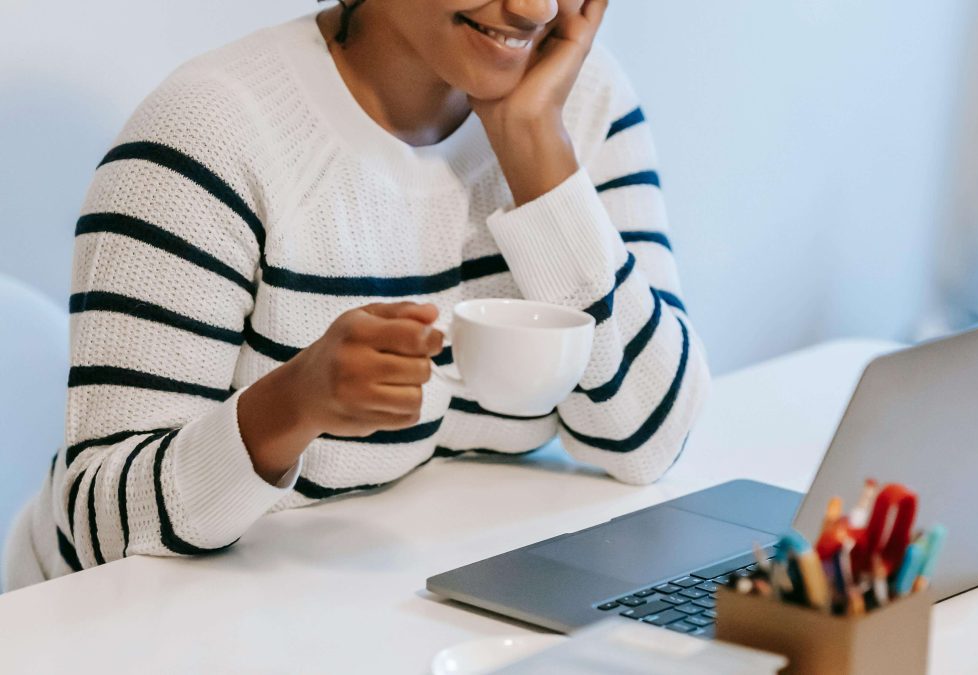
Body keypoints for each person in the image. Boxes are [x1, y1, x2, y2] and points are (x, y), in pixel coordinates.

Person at [1, 0, 710, 592]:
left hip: (386, 614)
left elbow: (650, 439)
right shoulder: (208, 134)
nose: (533, 8)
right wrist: (291, 404)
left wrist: (534, 150)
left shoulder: (574, 101)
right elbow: (99, 529)